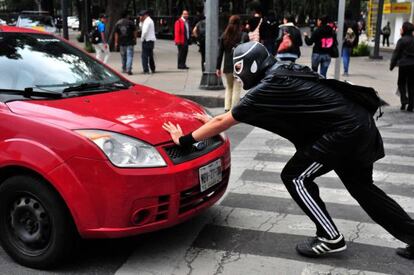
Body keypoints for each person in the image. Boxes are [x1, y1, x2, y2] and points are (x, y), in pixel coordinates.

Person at [163, 41, 414, 260]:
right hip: (358, 127)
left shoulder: (269, 86)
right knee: (365, 190)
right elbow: (229, 117)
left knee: (295, 176)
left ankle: (330, 237)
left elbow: (224, 121)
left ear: (250, 64)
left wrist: (184, 140)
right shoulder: (283, 70)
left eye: (238, 69)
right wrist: (205, 123)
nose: (238, 76)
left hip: (344, 134)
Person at [216, 15, 248, 112]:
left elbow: (220, 53)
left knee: (229, 87)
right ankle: (233, 110)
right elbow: (246, 52)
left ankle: (227, 108)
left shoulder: (224, 36)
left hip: (227, 66)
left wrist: (218, 67)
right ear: (239, 24)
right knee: (237, 88)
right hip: (239, 66)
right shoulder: (243, 35)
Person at [390, 22, 414, 112]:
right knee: (412, 85)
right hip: (413, 66)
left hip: (403, 65)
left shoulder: (402, 40)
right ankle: (411, 104)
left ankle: (404, 100)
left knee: (401, 83)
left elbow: (396, 53)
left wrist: (392, 65)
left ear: (404, 30)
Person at [342, 11, 359, 77]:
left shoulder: (344, 22)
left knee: (345, 56)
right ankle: (346, 70)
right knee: (348, 56)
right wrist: (356, 43)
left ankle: (345, 71)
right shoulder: (355, 23)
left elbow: (341, 32)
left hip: (345, 41)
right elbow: (357, 34)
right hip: (352, 41)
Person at [139, 10, 156, 74]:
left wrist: (142, 39)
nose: (141, 17)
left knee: (144, 56)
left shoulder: (147, 21)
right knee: (150, 55)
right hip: (151, 40)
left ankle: (146, 70)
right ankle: (152, 68)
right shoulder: (149, 20)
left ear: (145, 15)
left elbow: (144, 31)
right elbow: (141, 28)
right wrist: (141, 22)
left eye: (141, 16)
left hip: (146, 40)